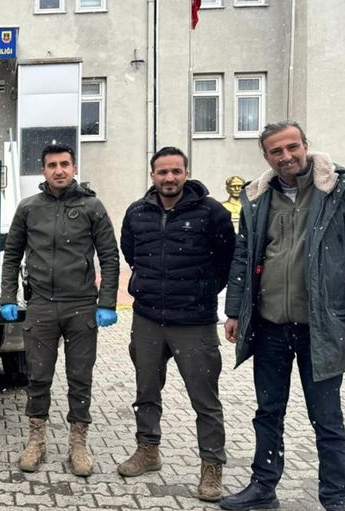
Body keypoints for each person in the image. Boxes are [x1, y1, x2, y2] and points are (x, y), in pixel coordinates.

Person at [221, 121, 345, 511]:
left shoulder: (344, 191)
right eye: (276, 151)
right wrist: (235, 311)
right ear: (266, 157)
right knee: (268, 412)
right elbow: (244, 256)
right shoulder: (257, 197)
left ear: (305, 146)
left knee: (326, 419)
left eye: (292, 147)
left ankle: (334, 499)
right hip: (270, 326)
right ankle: (263, 488)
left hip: (321, 328)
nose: (286, 156)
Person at [118, 146, 235, 501]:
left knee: (205, 399)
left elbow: (227, 260)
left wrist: (200, 290)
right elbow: (131, 252)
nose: (169, 177)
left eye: (176, 171)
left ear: (186, 173)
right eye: (162, 172)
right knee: (146, 391)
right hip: (148, 318)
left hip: (194, 321)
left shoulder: (211, 213)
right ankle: (148, 451)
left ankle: (211, 467)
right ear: (152, 175)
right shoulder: (137, 212)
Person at [0, 143, 120, 477]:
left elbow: (110, 256)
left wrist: (107, 302)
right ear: (43, 170)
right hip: (41, 306)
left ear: (74, 168)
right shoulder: (29, 208)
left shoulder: (92, 207)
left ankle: (78, 443)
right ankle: (36, 440)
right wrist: (8, 297)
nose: (59, 170)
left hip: (81, 306)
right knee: (38, 377)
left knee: (80, 378)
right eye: (52, 165)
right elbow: (12, 256)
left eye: (65, 164)